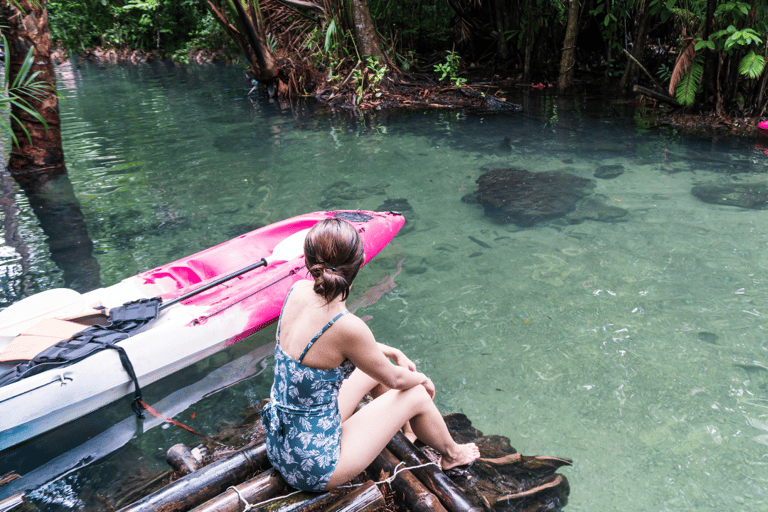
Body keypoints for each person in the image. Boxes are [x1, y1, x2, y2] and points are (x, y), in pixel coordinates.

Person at [261, 218, 480, 492]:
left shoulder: (296, 292)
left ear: (307, 261)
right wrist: (423, 380)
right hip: (312, 466)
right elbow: (398, 381)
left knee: (374, 370)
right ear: (361, 261)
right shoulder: (346, 326)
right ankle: (452, 455)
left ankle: (405, 433)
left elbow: (344, 349)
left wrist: (392, 351)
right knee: (416, 394)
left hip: (281, 441)